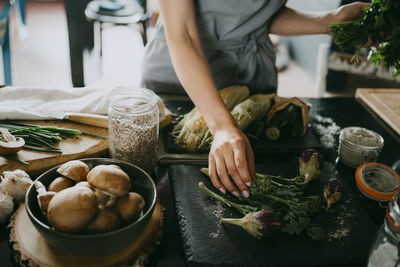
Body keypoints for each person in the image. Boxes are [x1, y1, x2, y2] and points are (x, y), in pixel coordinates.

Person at [141, 1, 369, 198]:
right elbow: (184, 35)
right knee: (165, 196)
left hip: (250, 76)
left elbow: (256, 15)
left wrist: (329, 21)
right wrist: (223, 128)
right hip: (182, 79)